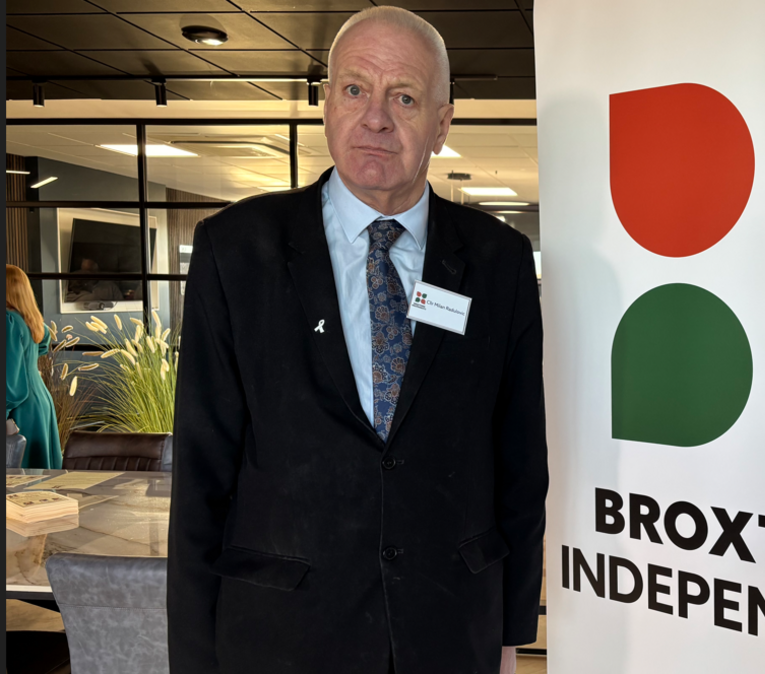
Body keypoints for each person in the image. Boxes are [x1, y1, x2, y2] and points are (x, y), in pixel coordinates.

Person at [166, 7, 547, 674]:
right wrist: (194, 656)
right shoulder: (237, 250)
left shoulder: (500, 261)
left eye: (403, 96)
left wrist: (511, 628)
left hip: (451, 626)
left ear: (441, 122)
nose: (375, 117)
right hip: (281, 633)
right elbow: (203, 472)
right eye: (353, 89)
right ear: (325, 104)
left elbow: (520, 460)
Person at [6, 265, 61, 470]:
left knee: (22, 479)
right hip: (40, 401)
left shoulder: (8, 320)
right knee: (40, 476)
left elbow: (10, 379)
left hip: (19, 407)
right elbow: (42, 346)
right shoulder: (31, 320)